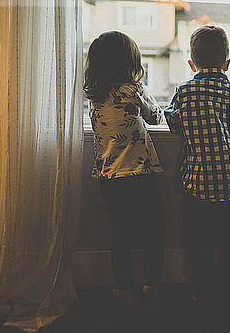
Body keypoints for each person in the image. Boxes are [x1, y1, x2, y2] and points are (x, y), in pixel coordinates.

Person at [164, 25, 230, 303]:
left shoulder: (185, 92)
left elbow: (173, 123)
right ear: (227, 64)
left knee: (199, 243)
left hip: (200, 187)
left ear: (191, 64)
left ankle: (202, 291)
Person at [83, 31, 164, 309]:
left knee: (122, 233)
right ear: (130, 63)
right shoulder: (133, 91)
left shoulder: (96, 98)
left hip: (109, 178)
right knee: (154, 231)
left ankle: (121, 287)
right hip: (138, 174)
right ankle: (152, 284)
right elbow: (155, 117)